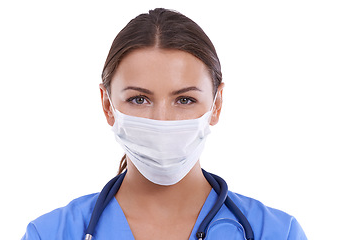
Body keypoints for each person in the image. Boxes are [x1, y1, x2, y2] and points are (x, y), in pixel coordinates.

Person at [22, 8, 307, 240]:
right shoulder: (50, 234)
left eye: (184, 100)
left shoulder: (277, 233)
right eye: (138, 99)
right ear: (108, 105)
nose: (162, 121)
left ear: (216, 104)